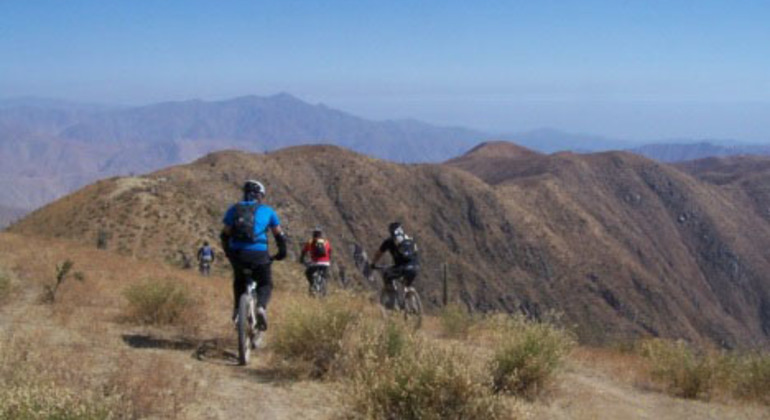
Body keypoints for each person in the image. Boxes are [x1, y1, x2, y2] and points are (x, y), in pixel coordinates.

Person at [220, 180, 286, 331]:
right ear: (260, 196)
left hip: (238, 254)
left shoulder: (233, 209)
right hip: (259, 255)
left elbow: (224, 234)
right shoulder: (268, 211)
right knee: (265, 283)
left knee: (239, 281)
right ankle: (261, 307)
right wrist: (281, 253)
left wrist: (228, 252)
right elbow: (279, 235)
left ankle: (238, 310)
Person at [370, 222, 420, 298]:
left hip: (402, 268)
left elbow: (378, 254)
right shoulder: (410, 240)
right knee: (406, 283)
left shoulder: (389, 242)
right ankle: (408, 296)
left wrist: (373, 263)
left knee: (386, 274)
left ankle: (392, 298)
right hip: (415, 267)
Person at [299, 227, 332, 294]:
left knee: (308, 273)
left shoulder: (310, 242)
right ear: (321, 234)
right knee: (324, 276)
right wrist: (328, 260)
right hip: (326, 263)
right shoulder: (326, 242)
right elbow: (330, 251)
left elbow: (304, 251)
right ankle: (324, 288)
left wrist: (301, 259)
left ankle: (312, 284)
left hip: (315, 263)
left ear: (313, 234)